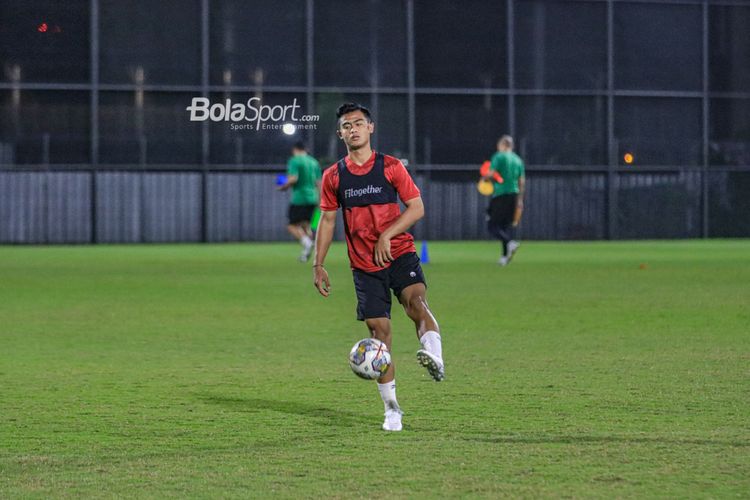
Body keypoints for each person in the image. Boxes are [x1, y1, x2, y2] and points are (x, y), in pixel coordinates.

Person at [312, 103, 444, 432]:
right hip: (364, 265)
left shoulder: (391, 167)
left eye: (359, 123)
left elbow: (416, 208)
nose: (353, 129)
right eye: (347, 126)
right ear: (340, 133)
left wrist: (387, 234)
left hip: (399, 253)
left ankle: (434, 355)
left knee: (416, 302)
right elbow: (327, 221)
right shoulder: (333, 176)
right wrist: (318, 263)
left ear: (370, 128)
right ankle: (392, 409)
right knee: (379, 336)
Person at [484, 135, 525, 266]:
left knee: (492, 226)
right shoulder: (518, 160)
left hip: (501, 194)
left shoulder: (499, 156)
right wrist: (520, 200)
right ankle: (504, 257)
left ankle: (510, 242)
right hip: (514, 195)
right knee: (503, 227)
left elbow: (491, 174)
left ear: (502, 145)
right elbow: (521, 181)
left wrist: (485, 177)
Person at [278, 142, 322, 262]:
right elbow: (319, 183)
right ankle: (306, 254)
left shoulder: (295, 161)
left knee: (291, 226)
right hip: (313, 198)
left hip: (299, 198)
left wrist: (283, 186)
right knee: (306, 226)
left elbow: (293, 178)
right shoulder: (314, 162)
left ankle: (307, 243)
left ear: (295, 150)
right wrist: (320, 200)